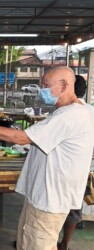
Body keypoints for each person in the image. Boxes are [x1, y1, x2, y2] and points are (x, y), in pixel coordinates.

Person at [0, 66, 94, 250]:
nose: (41, 89)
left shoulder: (69, 115)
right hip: (46, 196)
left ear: (65, 85)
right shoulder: (81, 110)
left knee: (36, 244)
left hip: (48, 199)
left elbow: (24, 138)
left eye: (46, 84)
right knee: (29, 242)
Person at [57, 74, 94, 250]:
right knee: (72, 207)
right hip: (80, 170)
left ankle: (54, 243)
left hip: (65, 170)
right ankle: (65, 243)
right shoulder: (89, 111)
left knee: (57, 208)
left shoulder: (69, 111)